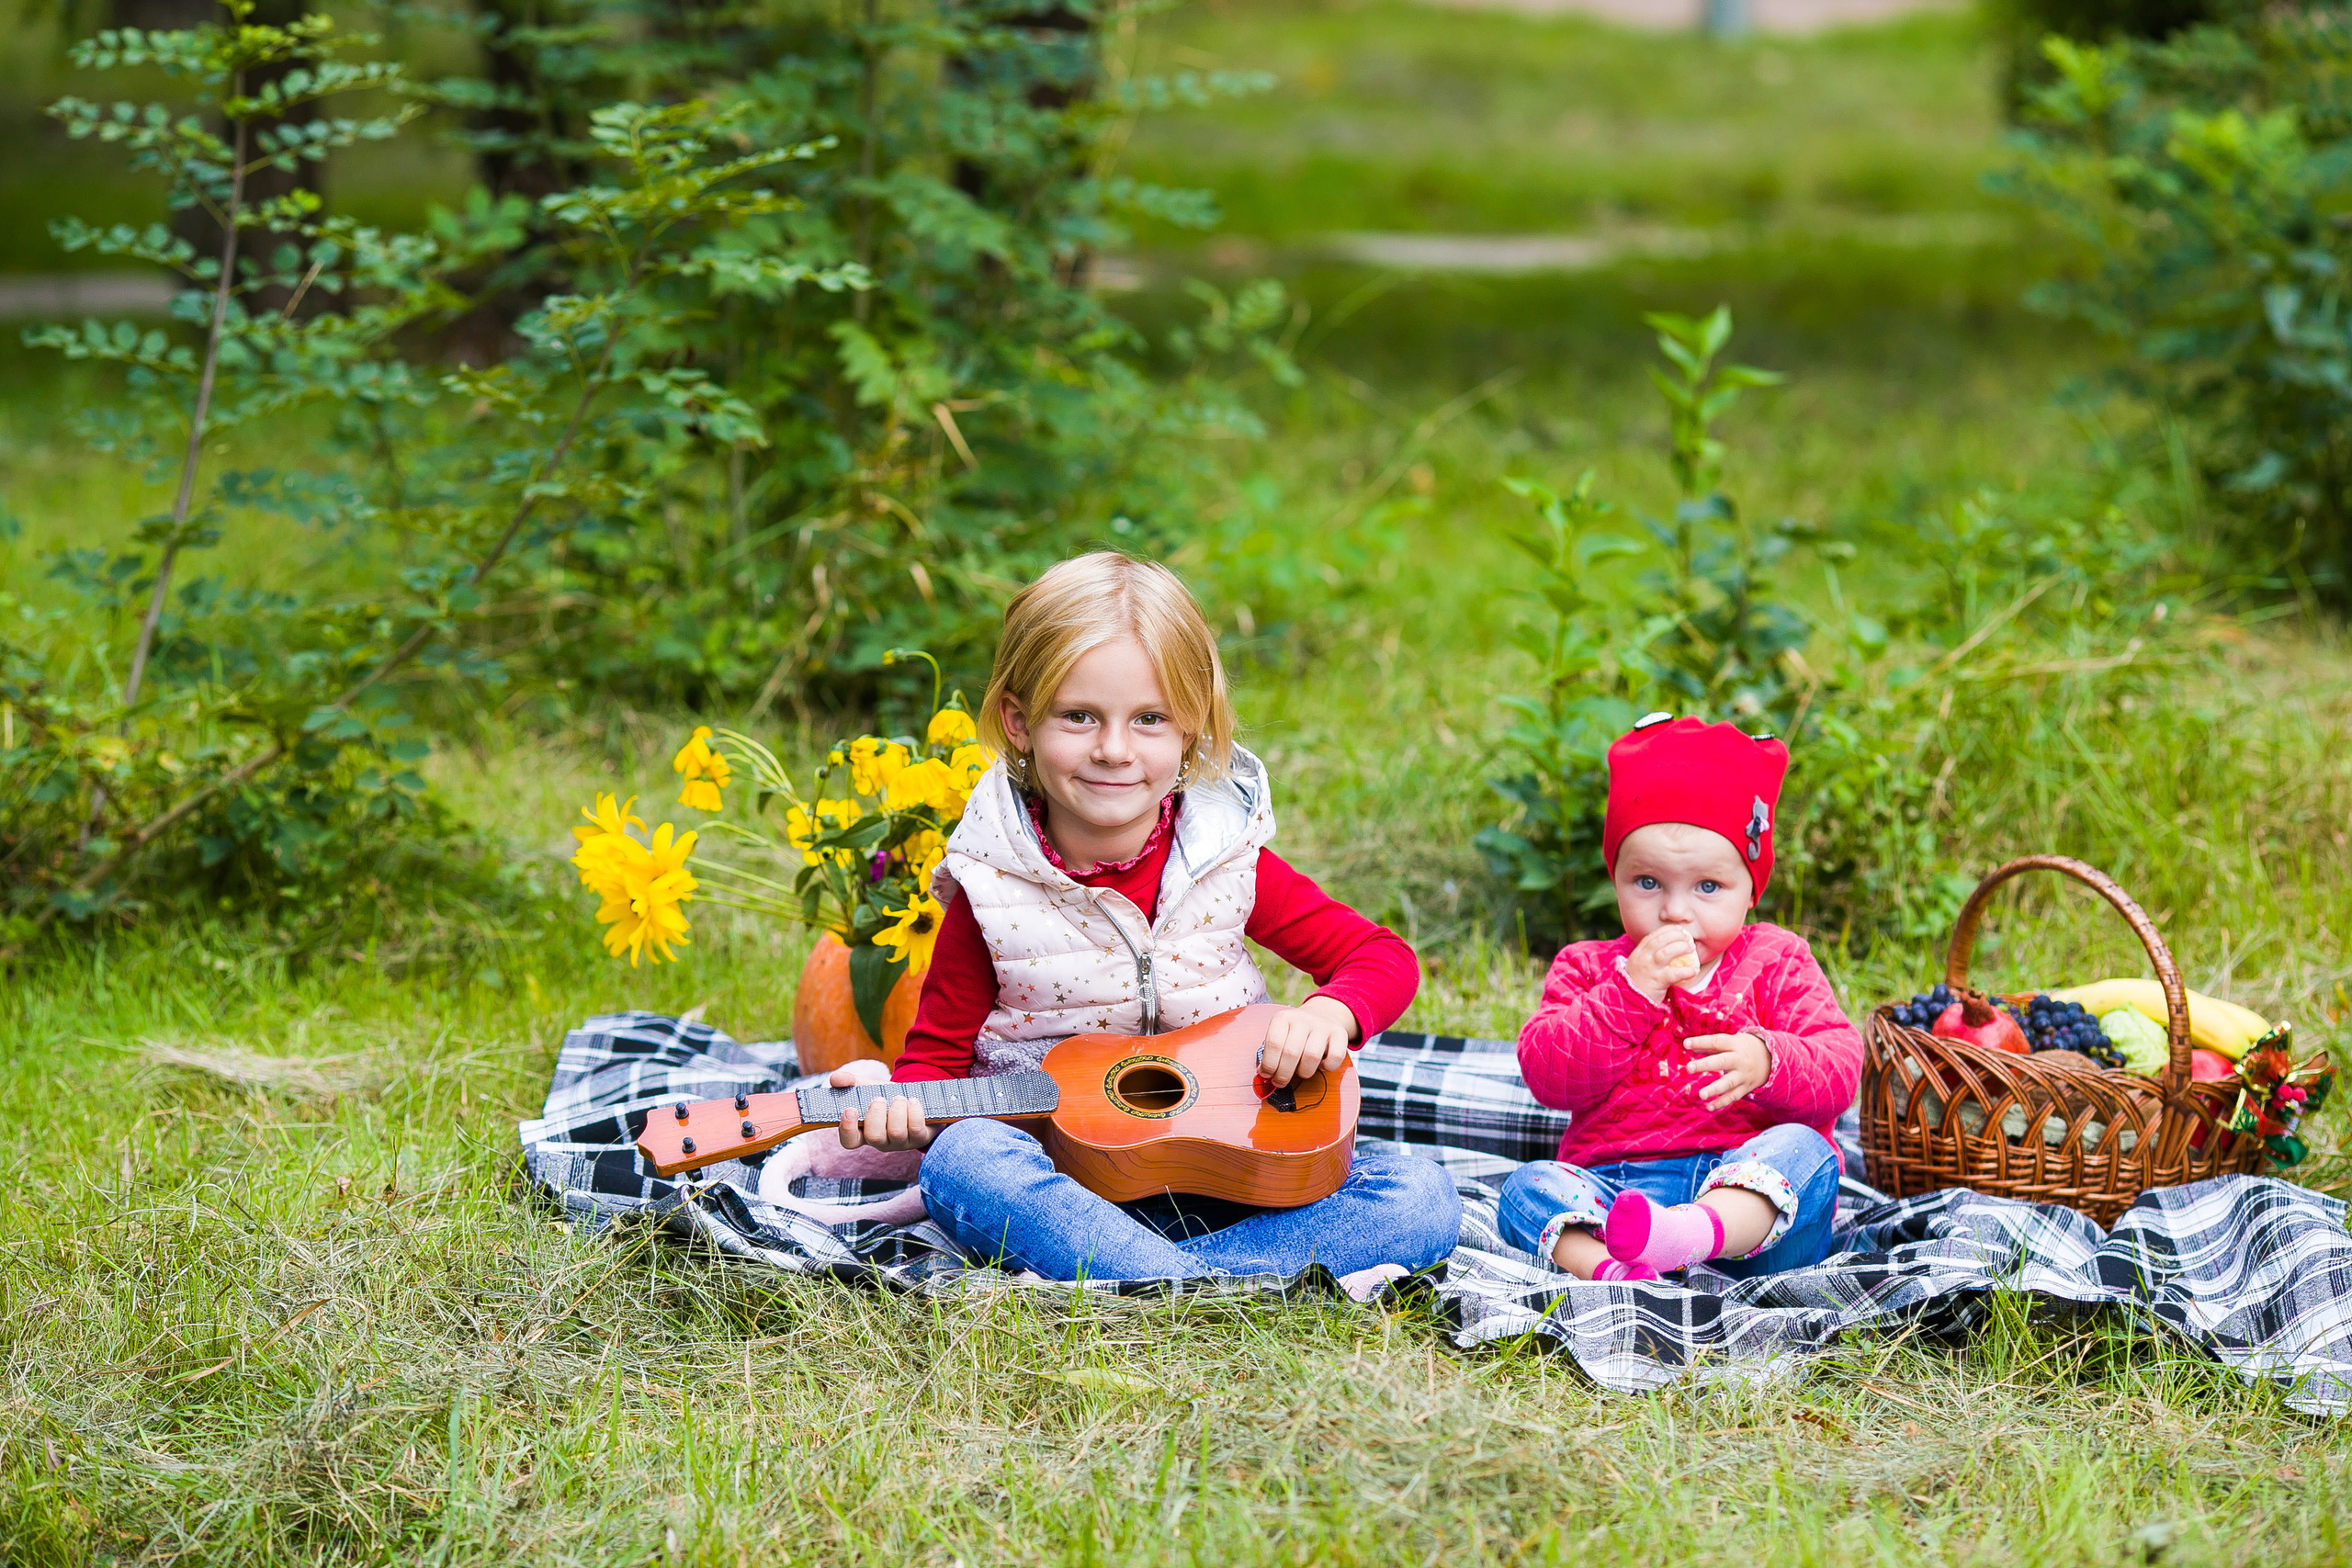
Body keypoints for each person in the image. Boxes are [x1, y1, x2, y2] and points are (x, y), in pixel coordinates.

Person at [823, 550, 1462, 1281]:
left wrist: (1328, 1015)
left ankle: (1155, 1282)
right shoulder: (991, 889)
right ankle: (1208, 1282)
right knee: (962, 1162)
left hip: (1234, 1173)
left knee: (1423, 1197)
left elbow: (1381, 956)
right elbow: (932, 1063)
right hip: (1061, 1188)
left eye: (1150, 718)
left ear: (1190, 729)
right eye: (1080, 716)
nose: (1114, 749)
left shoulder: (1226, 861)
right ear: (1020, 722)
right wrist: (905, 1109)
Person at [1499, 715, 1862, 1282]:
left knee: (1803, 1150)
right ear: (1615, 877)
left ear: (1750, 891)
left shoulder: (1776, 959)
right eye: (1648, 883)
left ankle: (1688, 1237)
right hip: (1618, 1194)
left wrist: (1770, 1061)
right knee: (1527, 1189)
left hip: (1751, 1207)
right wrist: (1631, 991)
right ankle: (1620, 1277)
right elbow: (1548, 1075)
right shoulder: (1590, 967)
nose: (1674, 911)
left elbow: (1839, 1068)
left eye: (1708, 888)